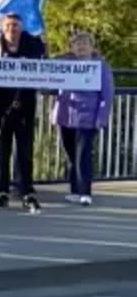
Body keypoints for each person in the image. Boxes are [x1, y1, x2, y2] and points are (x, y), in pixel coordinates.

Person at [0, 13, 47, 213]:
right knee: (2, 152)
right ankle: (2, 192)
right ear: (2, 27)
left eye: (15, 25)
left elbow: (45, 70)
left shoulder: (34, 45)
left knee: (25, 152)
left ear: (21, 27)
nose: (12, 29)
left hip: (26, 106)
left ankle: (27, 191)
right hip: (0, 107)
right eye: (8, 25)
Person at [52, 30, 114, 206]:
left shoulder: (101, 66)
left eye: (85, 43)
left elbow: (107, 95)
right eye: (77, 44)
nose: (81, 47)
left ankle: (85, 192)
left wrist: (101, 117)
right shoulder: (64, 63)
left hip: (87, 116)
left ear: (92, 47)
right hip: (65, 115)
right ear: (71, 47)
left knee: (83, 155)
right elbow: (48, 78)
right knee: (71, 155)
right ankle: (75, 190)